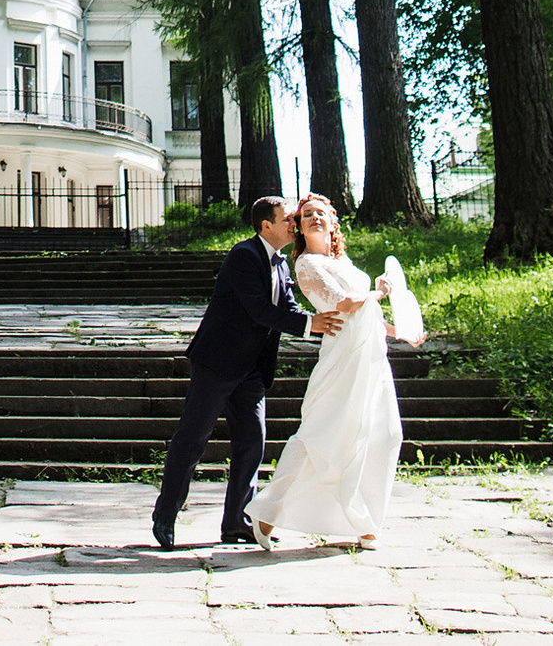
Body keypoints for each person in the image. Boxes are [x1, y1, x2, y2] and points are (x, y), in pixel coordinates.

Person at [149, 193, 346, 549]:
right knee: (192, 440)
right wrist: (308, 324)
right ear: (266, 225)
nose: (294, 223)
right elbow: (257, 309)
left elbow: (285, 306)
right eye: (288, 219)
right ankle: (165, 514)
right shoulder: (243, 255)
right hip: (217, 363)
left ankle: (236, 522)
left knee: (251, 444)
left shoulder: (282, 264)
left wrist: (319, 325)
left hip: (253, 371)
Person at [245, 194, 403, 549]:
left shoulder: (342, 260)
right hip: (343, 356)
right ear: (299, 226)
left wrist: (401, 330)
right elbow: (344, 305)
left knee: (384, 431)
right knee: (319, 434)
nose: (314, 218)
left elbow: (367, 314)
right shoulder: (307, 265)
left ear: (334, 222)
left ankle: (279, 513)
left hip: (371, 354)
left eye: (322, 213)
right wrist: (378, 292)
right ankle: (354, 522)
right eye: (307, 215)